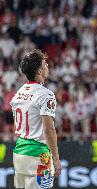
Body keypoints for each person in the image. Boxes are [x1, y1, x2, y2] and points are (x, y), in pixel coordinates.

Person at [10, 49, 61, 189]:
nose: (47, 66)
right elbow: (49, 130)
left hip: (19, 152)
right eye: (45, 64)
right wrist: (56, 158)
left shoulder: (18, 94)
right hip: (38, 155)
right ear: (39, 71)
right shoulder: (46, 95)